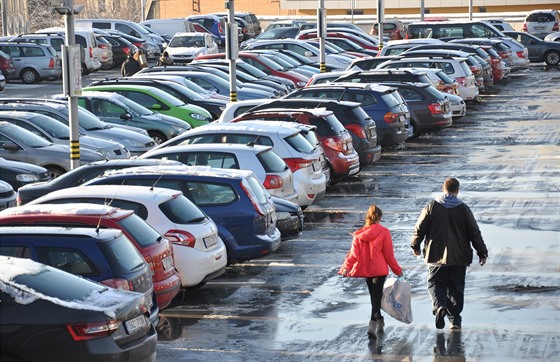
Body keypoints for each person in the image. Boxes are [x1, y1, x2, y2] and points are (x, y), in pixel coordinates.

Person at [411, 177, 488, 330]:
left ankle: (440, 306)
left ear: (443, 188)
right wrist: (482, 252)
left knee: (435, 284)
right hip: (459, 257)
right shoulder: (464, 209)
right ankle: (455, 320)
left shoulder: (431, 206)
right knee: (456, 288)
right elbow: (474, 233)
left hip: (435, 256)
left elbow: (419, 228)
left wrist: (415, 245)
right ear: (457, 190)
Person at [339, 204, 403, 339]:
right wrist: (398, 271)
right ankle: (375, 321)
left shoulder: (359, 235)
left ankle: (376, 321)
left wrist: (346, 267)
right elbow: (389, 255)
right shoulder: (384, 232)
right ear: (379, 217)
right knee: (376, 296)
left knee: (374, 296)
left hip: (367, 269)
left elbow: (353, 254)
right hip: (380, 270)